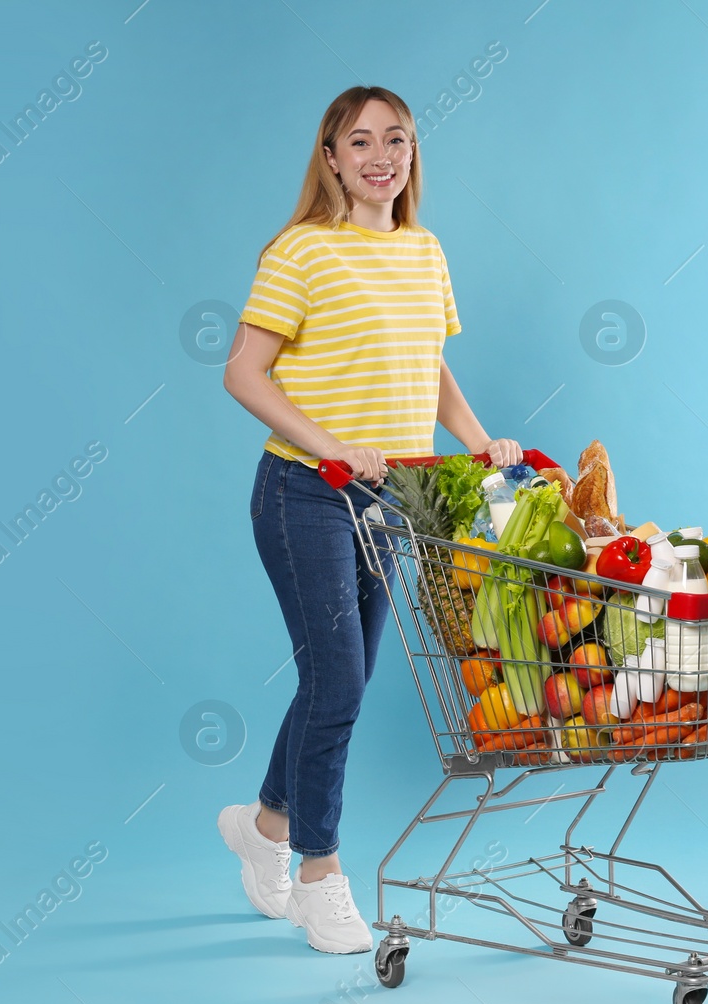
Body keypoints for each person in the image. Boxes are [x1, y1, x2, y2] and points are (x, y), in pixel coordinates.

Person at [218, 86, 521, 954]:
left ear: (412, 155)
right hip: (304, 495)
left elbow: (426, 366)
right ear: (331, 157)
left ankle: (264, 827)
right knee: (340, 684)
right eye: (361, 141)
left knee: (332, 681)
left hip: (392, 501)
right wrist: (332, 447)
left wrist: (477, 438)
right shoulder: (301, 251)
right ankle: (320, 875)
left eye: (398, 139)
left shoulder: (425, 253)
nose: (381, 155)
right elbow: (244, 372)